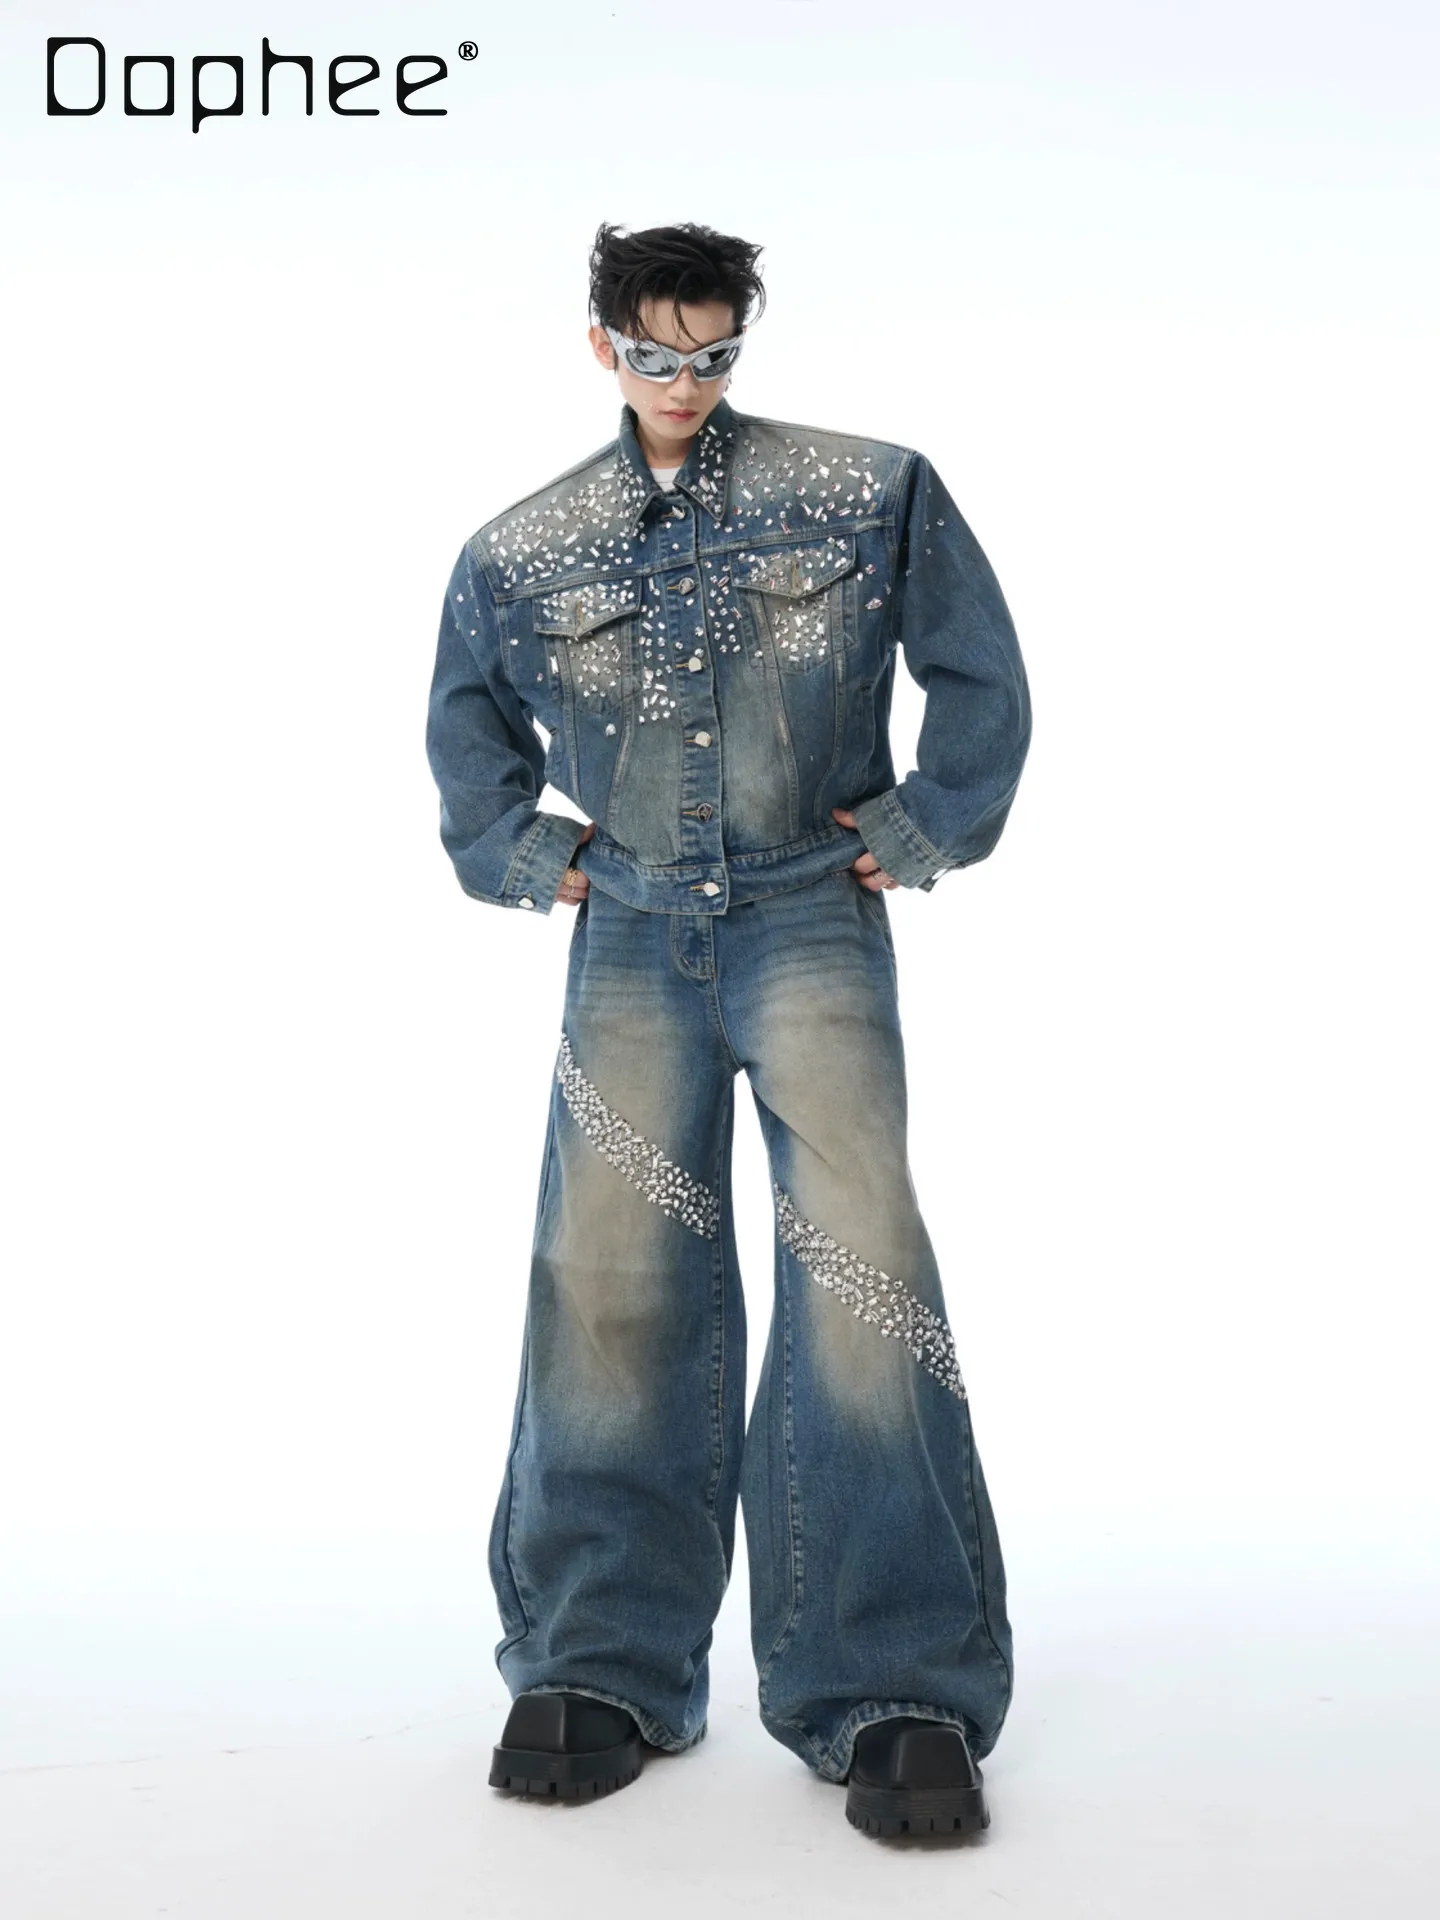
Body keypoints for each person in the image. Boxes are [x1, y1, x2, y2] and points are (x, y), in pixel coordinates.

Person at [424, 220, 1032, 1837]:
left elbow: (980, 676)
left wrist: (923, 827)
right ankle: (603, 1660)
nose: (682, 382)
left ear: (738, 345)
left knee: (861, 1272)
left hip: (811, 915)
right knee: (611, 1276)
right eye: (653, 354)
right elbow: (465, 731)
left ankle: (893, 1680)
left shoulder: (870, 487)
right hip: (629, 931)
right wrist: (527, 854)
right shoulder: (523, 547)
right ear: (602, 346)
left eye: (712, 356)